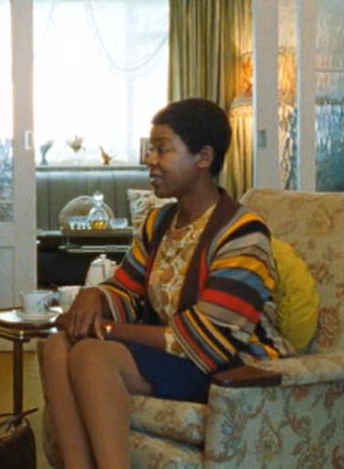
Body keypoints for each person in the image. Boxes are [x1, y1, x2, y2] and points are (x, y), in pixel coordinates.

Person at [38, 98, 293, 469]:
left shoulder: (243, 233)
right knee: (57, 346)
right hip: (174, 355)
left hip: (230, 363)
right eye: (150, 149)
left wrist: (105, 329)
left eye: (162, 149)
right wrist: (96, 296)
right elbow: (128, 289)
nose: (149, 160)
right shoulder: (158, 222)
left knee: (93, 355)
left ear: (203, 157)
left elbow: (207, 339)